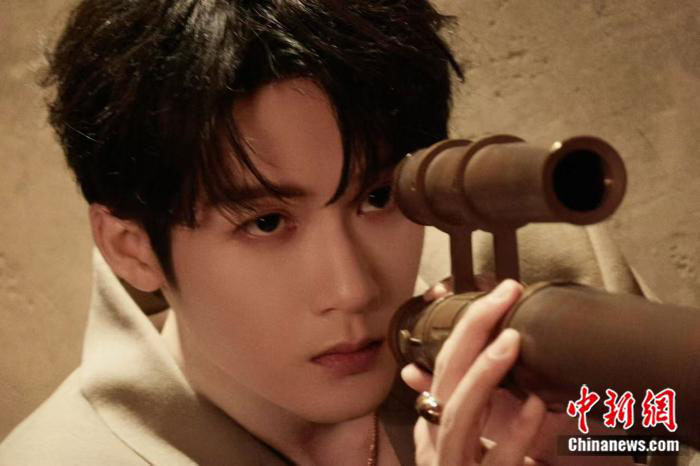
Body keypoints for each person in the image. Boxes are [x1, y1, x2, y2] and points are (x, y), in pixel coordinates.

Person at [0, 1, 667, 465]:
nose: (351, 289)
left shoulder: (539, 286)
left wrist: (607, 449)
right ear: (132, 247)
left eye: (377, 197)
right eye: (266, 223)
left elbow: (661, 440)